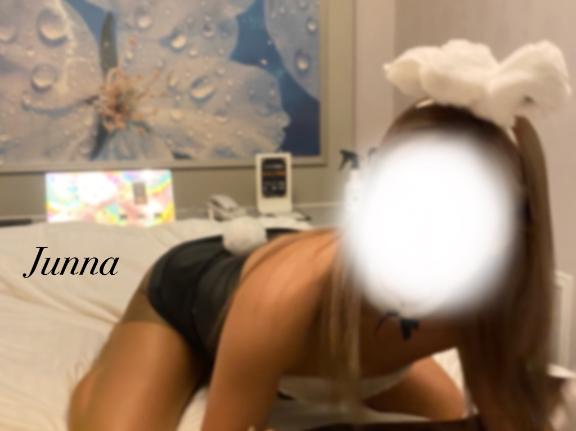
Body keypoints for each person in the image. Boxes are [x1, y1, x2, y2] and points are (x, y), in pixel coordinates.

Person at [68, 40, 571, 431]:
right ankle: (158, 362)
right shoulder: (283, 298)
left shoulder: (487, 302)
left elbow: (504, 417)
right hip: (191, 294)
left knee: (444, 407)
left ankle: (254, 364)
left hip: (297, 322)